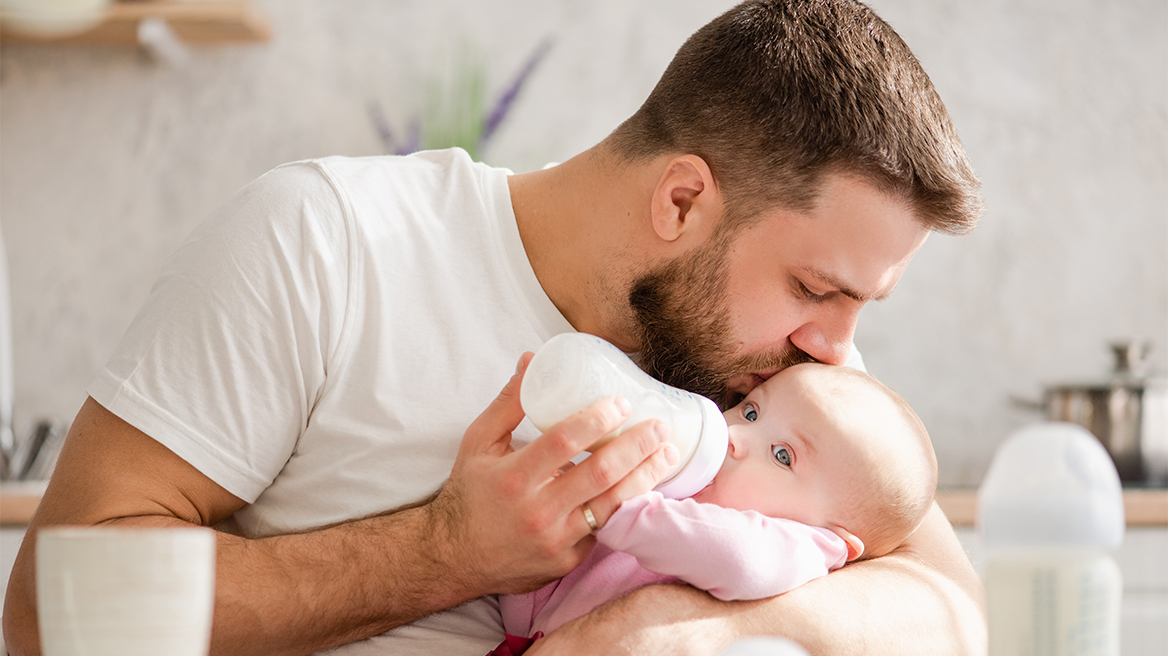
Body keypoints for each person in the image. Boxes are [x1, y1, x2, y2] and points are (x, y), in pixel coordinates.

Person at [2, 1, 985, 655]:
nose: (839, 348)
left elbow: (951, 612)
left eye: (859, 303)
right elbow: (52, 609)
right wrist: (438, 553)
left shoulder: (765, 376)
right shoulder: (328, 243)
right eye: (818, 286)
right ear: (682, 200)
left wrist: (670, 620)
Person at [494, 362, 939, 652]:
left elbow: (736, 556)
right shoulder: (676, 495)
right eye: (750, 413)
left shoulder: (800, 547)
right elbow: (542, 582)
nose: (736, 439)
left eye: (782, 455)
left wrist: (616, 507)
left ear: (837, 540)